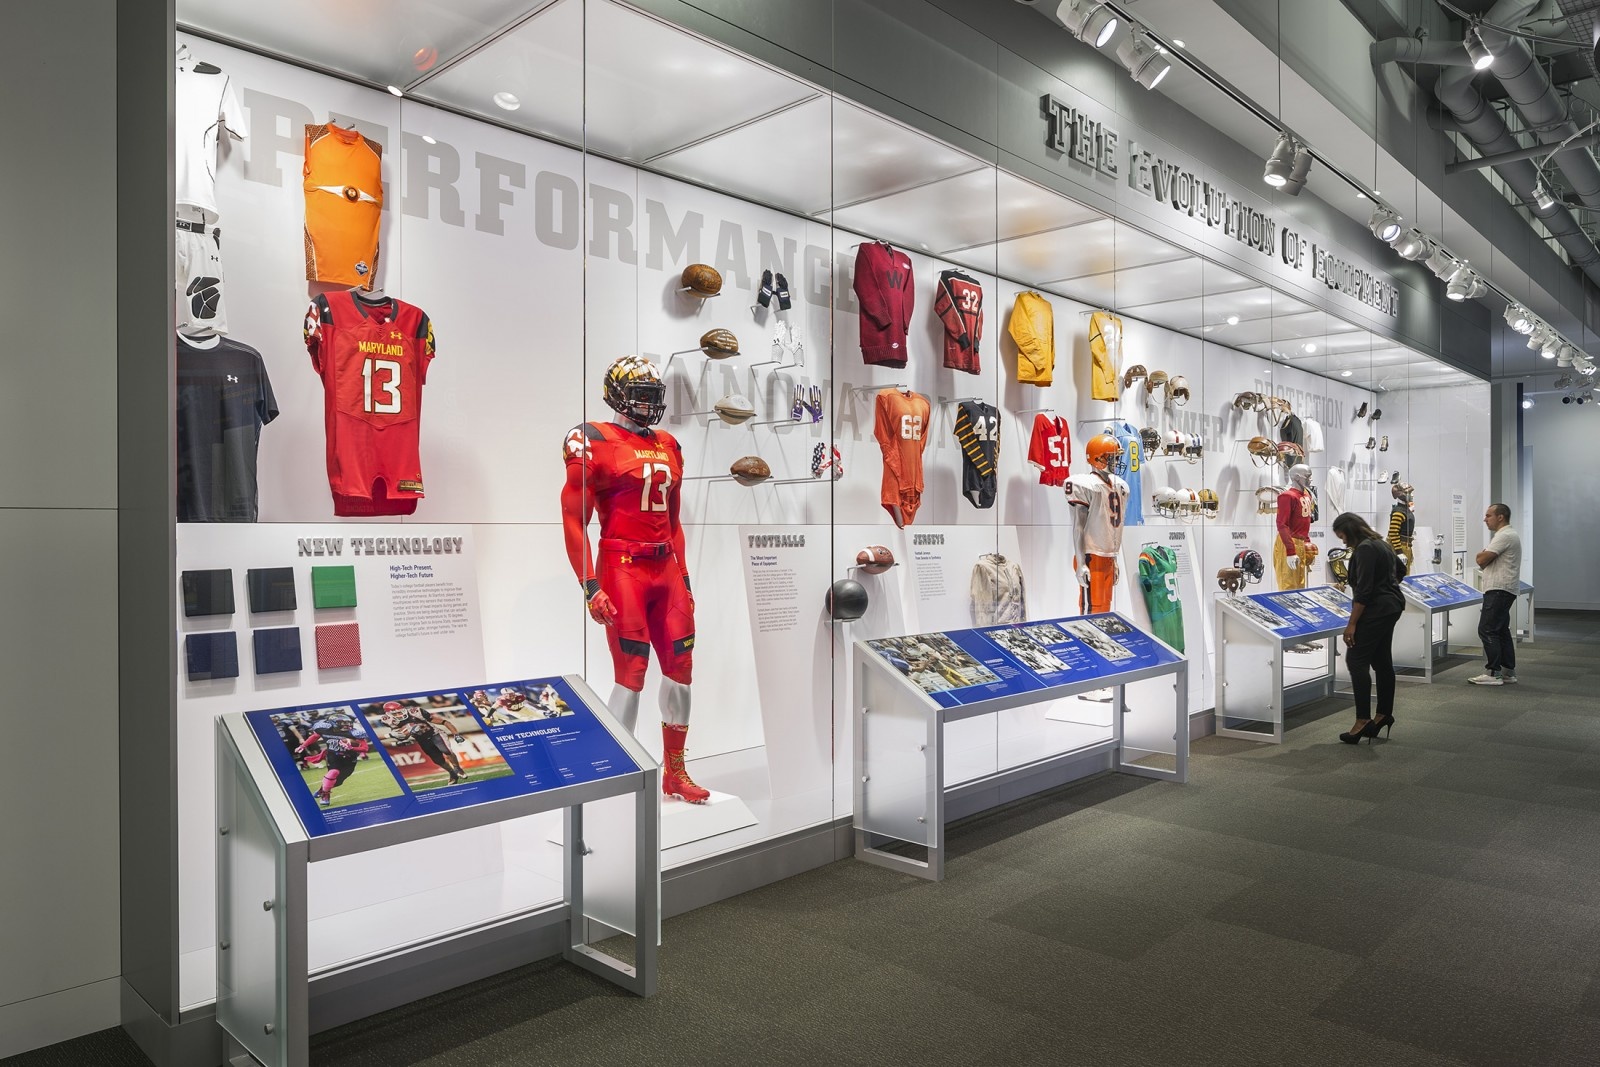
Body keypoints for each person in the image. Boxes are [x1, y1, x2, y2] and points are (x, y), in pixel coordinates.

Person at [560, 355, 707, 803]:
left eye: (652, 396)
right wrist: (590, 585)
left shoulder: (669, 444)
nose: (647, 404)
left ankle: (675, 772)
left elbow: (674, 522)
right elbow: (574, 519)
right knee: (632, 674)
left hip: (666, 568)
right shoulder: (593, 439)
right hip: (623, 565)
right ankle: (617, 776)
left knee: (681, 670)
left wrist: (684, 576)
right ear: (618, 396)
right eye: (640, 395)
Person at [1331, 512, 1406, 744]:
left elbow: (1363, 590)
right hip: (1391, 606)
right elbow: (1401, 571)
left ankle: (1363, 720)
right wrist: (1386, 586)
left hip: (1376, 610)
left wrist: (1352, 624)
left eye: (1342, 536)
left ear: (1349, 531)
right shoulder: (1381, 543)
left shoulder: (1364, 549)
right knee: (1382, 661)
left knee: (1356, 660)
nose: (1343, 541)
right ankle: (1383, 714)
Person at [1469, 503, 1522, 685]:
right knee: (1501, 630)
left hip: (1499, 589)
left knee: (1487, 629)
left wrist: (1482, 556)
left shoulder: (1504, 536)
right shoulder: (1507, 535)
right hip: (1503, 588)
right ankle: (1508, 671)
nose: (1485, 519)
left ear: (1500, 517)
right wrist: (1484, 557)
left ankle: (1493, 673)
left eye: (1488, 515)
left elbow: (1481, 559)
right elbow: (1483, 560)